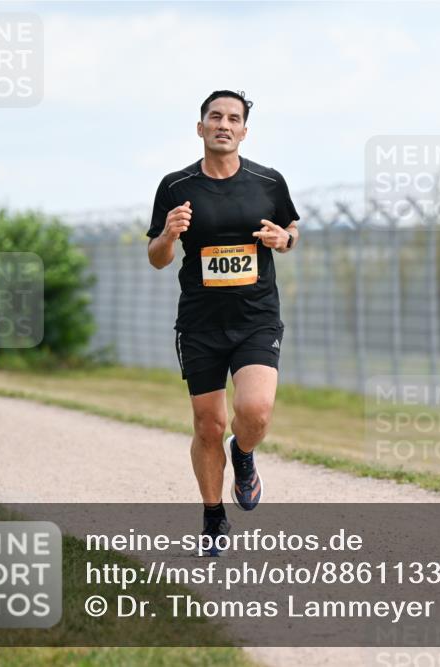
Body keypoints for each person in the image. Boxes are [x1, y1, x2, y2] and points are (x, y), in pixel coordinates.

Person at [146, 90, 299, 555]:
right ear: (201, 127)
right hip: (200, 324)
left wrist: (283, 239)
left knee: (254, 412)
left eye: (234, 118)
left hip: (256, 319)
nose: (224, 124)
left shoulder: (267, 182)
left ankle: (245, 453)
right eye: (215, 117)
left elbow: (292, 229)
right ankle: (214, 519)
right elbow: (156, 259)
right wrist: (169, 234)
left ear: (244, 131)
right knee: (207, 425)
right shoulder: (176, 186)